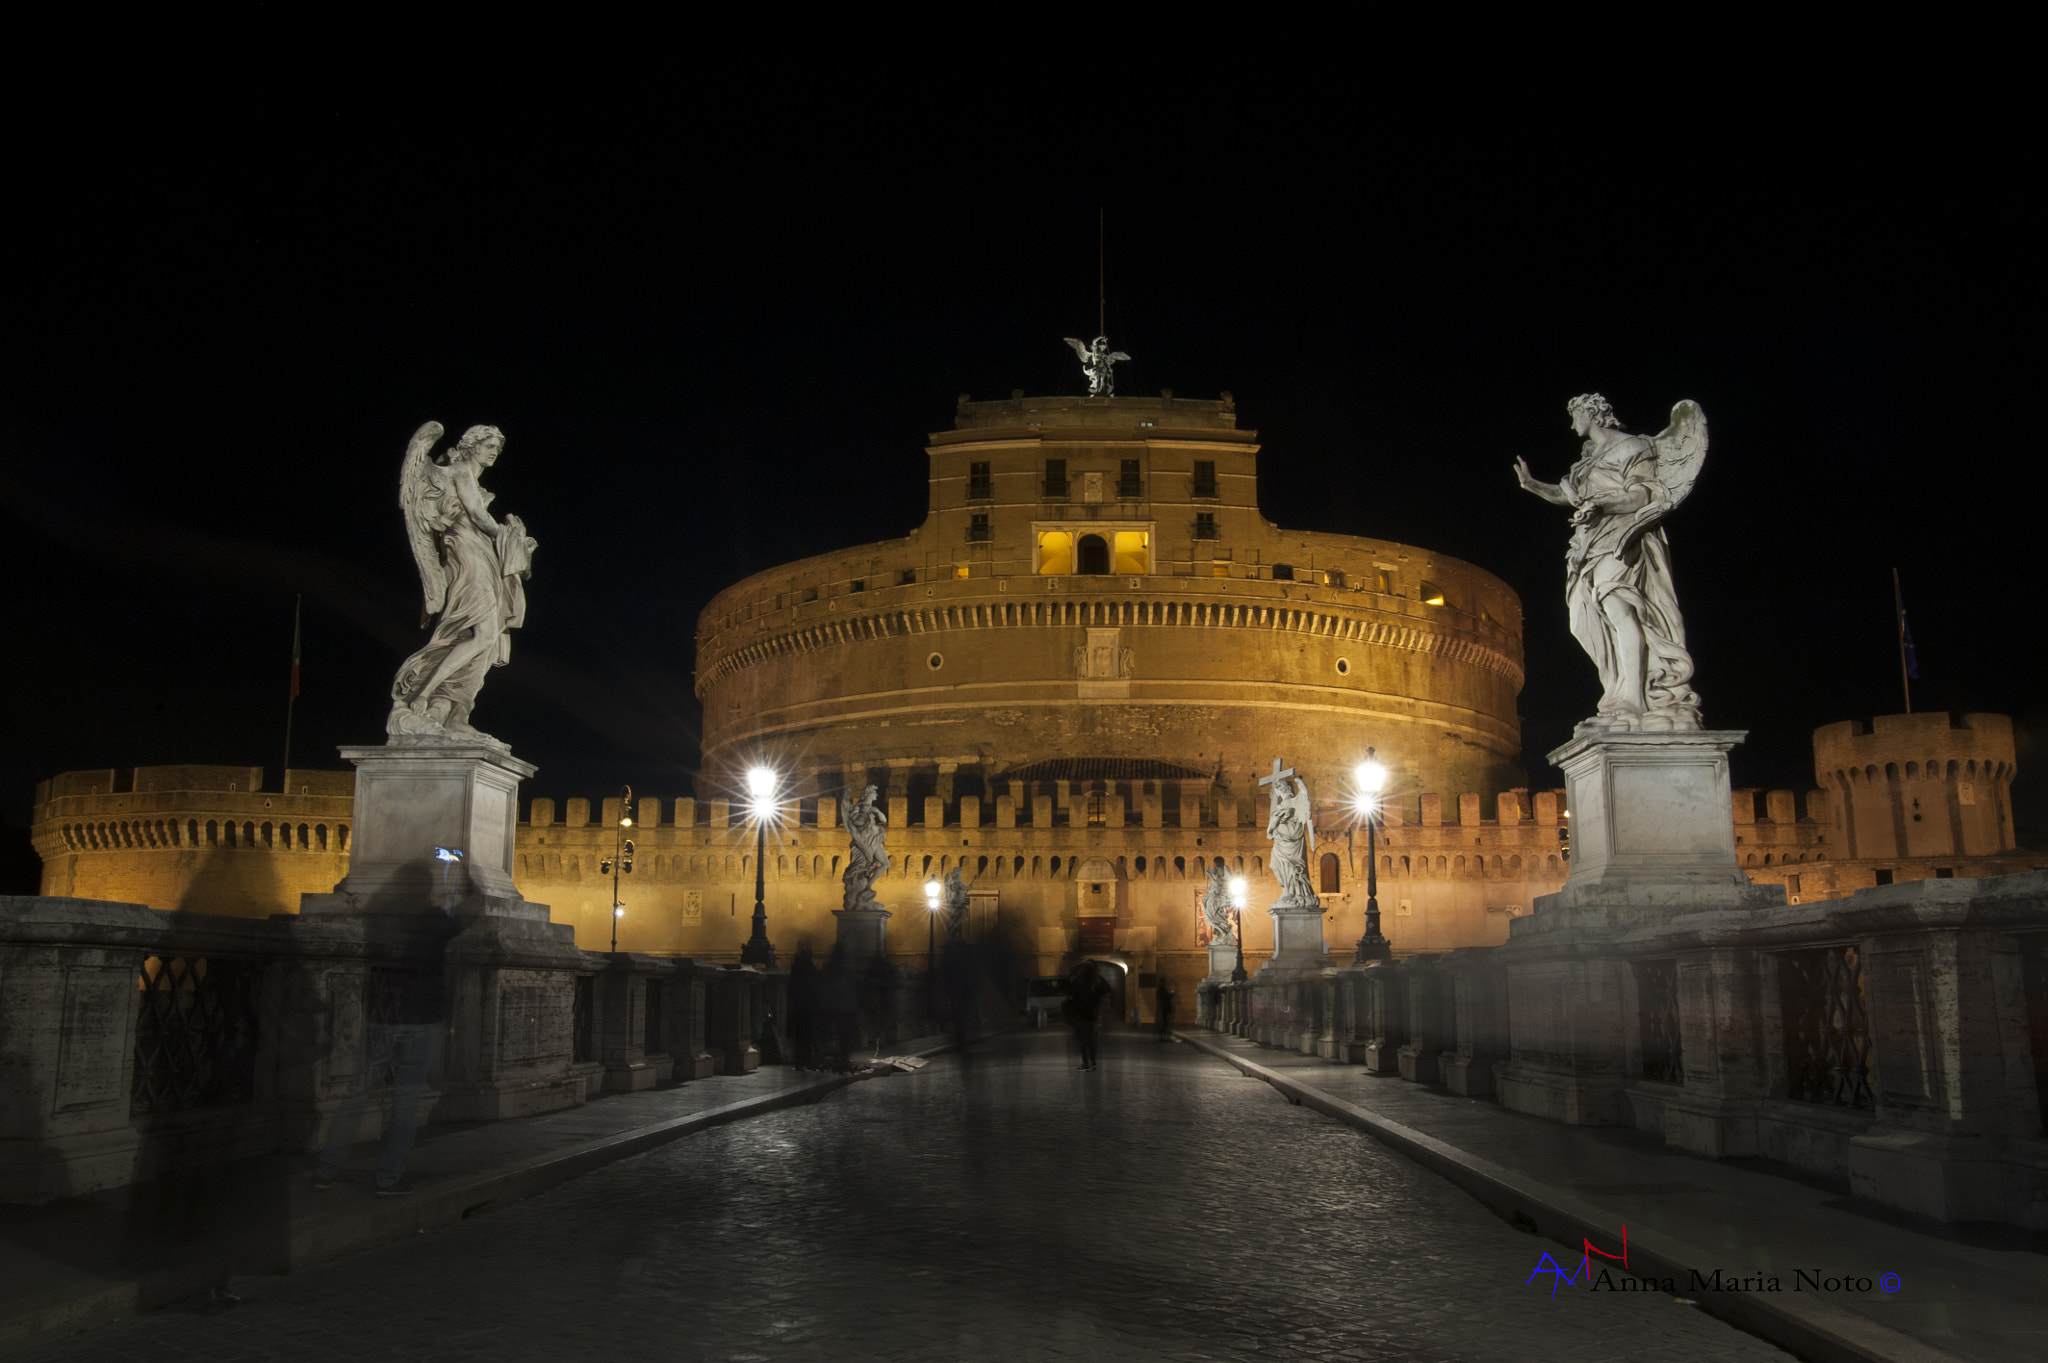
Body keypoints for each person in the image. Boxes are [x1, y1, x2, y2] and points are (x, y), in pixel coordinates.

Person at [313, 862, 456, 1194]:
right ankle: (388, 1178)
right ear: (423, 888)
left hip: (382, 1014)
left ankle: (326, 1170)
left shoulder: (379, 914)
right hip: (419, 1018)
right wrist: (460, 880)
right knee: (405, 1102)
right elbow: (461, 921)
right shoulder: (432, 919)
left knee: (356, 1096)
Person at [1063, 963, 1109, 1071]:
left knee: (1081, 1040)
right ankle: (1093, 1062)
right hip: (1093, 1014)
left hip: (1079, 1015)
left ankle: (1085, 1063)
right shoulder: (1098, 981)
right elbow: (1107, 991)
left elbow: (1069, 993)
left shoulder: (1078, 981)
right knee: (1092, 1039)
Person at [1154, 976, 1176, 1042]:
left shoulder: (1160, 989)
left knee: (1164, 1023)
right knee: (1165, 1023)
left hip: (1163, 1007)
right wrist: (1171, 994)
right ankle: (1164, 1037)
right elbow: (1166, 997)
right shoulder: (1162, 989)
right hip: (1164, 1008)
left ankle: (1163, 1037)